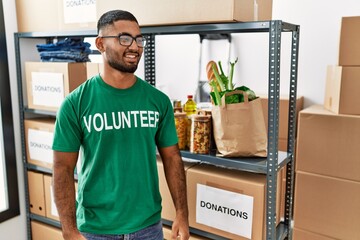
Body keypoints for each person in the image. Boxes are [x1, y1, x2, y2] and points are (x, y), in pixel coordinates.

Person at [52, 9, 190, 240]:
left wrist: (182, 214)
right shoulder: (75, 104)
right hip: (95, 230)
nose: (135, 47)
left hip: (148, 228)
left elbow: (173, 158)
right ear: (100, 44)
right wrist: (69, 230)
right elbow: (62, 169)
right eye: (124, 38)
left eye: (139, 39)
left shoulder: (158, 101)